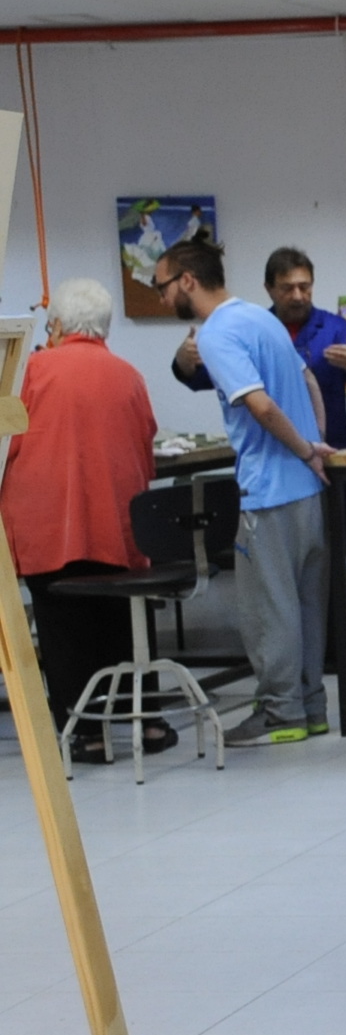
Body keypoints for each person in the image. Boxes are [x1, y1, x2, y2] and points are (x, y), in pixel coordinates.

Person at [156, 238, 335, 747]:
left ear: (188, 280)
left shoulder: (217, 333)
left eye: (162, 286)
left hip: (269, 494)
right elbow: (309, 382)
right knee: (305, 606)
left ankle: (280, 713)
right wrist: (316, 444)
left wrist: (304, 448)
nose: (162, 297)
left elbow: (260, 407)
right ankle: (311, 708)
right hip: (307, 492)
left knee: (270, 611)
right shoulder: (261, 319)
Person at [0, 279, 162, 764]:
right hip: (117, 523)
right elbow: (146, 447)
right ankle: (147, 719)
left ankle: (86, 733)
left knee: (62, 629)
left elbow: (8, 443)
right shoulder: (129, 375)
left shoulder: (32, 370)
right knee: (121, 621)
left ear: (55, 326)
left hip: (48, 527)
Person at [174, 246, 346, 542]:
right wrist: (183, 360)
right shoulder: (251, 327)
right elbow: (208, 378)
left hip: (329, 456)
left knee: (333, 552)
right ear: (269, 288)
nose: (298, 296)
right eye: (287, 288)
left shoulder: (335, 329)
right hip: (276, 465)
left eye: (305, 286)